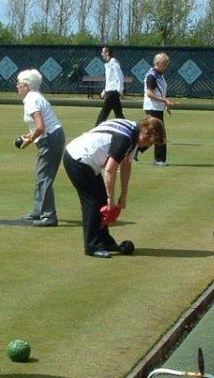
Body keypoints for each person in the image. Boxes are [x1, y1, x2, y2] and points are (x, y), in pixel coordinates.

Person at [63, 117, 164, 257]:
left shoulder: (134, 135)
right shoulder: (125, 138)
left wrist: (123, 194)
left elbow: (126, 165)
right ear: (145, 130)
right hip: (77, 159)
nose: (147, 145)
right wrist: (111, 197)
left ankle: (105, 241)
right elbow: (110, 170)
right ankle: (92, 246)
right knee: (92, 203)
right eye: (148, 140)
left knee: (101, 200)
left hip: (88, 161)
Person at [16, 69, 65, 227]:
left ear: (27, 86)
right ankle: (38, 211)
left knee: (44, 177)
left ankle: (49, 216)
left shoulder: (31, 99)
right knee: (41, 175)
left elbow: (40, 127)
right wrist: (29, 135)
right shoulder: (34, 97)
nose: (17, 86)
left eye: (19, 84)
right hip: (51, 136)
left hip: (50, 138)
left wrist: (29, 140)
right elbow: (37, 128)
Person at [143, 52, 176, 166]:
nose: (166, 67)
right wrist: (164, 101)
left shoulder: (159, 75)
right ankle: (159, 160)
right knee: (159, 134)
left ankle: (135, 151)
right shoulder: (151, 76)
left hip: (158, 108)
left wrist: (165, 105)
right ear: (158, 63)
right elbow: (150, 94)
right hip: (152, 108)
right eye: (165, 64)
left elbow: (160, 92)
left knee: (152, 133)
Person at [95, 46, 126, 124]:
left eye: (103, 52)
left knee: (103, 114)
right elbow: (110, 80)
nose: (101, 54)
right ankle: (129, 131)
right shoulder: (108, 64)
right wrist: (105, 90)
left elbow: (120, 77)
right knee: (119, 115)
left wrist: (119, 91)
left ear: (107, 53)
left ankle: (96, 130)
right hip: (111, 92)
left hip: (112, 93)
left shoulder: (114, 63)